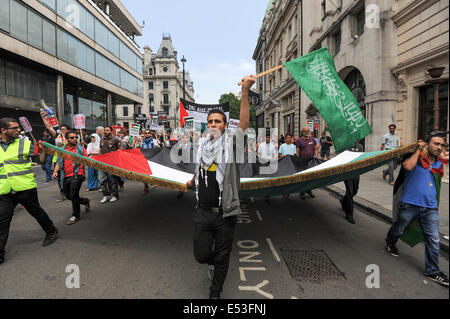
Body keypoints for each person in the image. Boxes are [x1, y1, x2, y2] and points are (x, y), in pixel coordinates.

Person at [186, 75, 254, 299]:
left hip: (225, 214)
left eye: (218, 122)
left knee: (223, 257)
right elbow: (201, 168)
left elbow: (244, 124)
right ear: (208, 125)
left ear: (225, 126)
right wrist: (193, 180)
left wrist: (245, 92)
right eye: (211, 122)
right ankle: (211, 263)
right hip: (203, 213)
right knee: (201, 254)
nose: (214, 124)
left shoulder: (231, 143)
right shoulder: (202, 145)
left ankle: (215, 293)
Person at [385, 132, 449, 287]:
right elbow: (407, 166)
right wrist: (418, 150)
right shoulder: (416, 159)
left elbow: (445, 157)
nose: (439, 147)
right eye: (436, 144)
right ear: (427, 145)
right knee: (399, 228)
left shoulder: (438, 163)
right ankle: (390, 242)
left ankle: (433, 271)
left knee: (433, 239)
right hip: (409, 204)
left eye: (441, 145)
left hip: (430, 208)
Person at [0, 118, 58, 265]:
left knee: (36, 212)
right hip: (4, 191)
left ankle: (51, 231)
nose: (18, 130)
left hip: (25, 188)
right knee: (2, 221)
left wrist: (44, 150)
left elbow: (41, 161)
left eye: (18, 127)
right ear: (3, 130)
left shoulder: (24, 143)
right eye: (14, 128)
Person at [49, 131, 90, 225]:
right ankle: (85, 201)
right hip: (65, 176)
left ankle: (76, 215)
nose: (75, 139)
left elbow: (87, 160)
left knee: (74, 194)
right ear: (66, 139)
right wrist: (55, 171)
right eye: (72, 138)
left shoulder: (81, 149)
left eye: (76, 137)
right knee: (68, 196)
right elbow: (59, 163)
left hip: (77, 175)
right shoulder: (62, 150)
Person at [340, 142, 363, 224]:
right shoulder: (345, 146)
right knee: (350, 192)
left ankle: (343, 200)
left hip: (356, 172)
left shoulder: (360, 146)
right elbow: (341, 158)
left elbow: (362, 158)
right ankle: (349, 214)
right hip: (348, 172)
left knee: (354, 191)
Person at [99, 126, 121, 203]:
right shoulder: (101, 140)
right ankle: (106, 195)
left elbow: (120, 150)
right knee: (101, 180)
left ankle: (115, 195)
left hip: (112, 163)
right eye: (105, 130)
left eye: (107, 130)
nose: (105, 131)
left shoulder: (115, 140)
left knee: (112, 180)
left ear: (111, 131)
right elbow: (100, 151)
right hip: (102, 163)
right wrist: (99, 159)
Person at [296, 127, 318, 199]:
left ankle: (309, 190)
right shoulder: (299, 140)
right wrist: (298, 160)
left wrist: (316, 156)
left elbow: (315, 149)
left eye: (308, 131)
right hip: (303, 161)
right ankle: (302, 192)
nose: (307, 132)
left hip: (311, 161)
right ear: (302, 132)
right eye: (306, 131)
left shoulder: (312, 139)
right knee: (303, 177)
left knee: (311, 177)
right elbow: (297, 151)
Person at [279, 133, 297, 199]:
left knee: (290, 179)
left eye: (290, 137)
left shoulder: (293, 146)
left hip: (291, 164)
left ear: (291, 138)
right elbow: (279, 155)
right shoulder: (282, 146)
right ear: (285, 139)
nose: (288, 139)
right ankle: (284, 192)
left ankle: (288, 192)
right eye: (287, 137)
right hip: (283, 164)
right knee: (284, 178)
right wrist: (285, 156)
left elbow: (295, 155)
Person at [141, 129, 157, 195]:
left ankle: (154, 181)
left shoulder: (154, 141)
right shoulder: (142, 141)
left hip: (152, 159)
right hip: (144, 160)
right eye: (145, 133)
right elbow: (139, 150)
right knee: (144, 174)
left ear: (151, 134)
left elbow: (157, 149)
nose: (147, 134)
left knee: (152, 173)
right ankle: (146, 187)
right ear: (144, 134)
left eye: (148, 133)